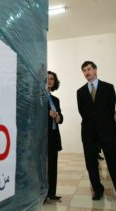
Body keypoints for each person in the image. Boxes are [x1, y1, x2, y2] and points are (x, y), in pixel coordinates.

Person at [76, 61, 116, 207]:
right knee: (91, 163)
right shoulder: (80, 91)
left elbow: (109, 109)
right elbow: (83, 112)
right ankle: (97, 190)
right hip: (88, 132)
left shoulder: (108, 87)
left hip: (106, 131)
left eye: (89, 69)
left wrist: (101, 124)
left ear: (95, 70)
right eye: (84, 70)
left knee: (114, 162)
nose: (87, 72)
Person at [45, 71, 63, 201]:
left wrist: (57, 116)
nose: (50, 80)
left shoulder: (56, 99)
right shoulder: (38, 97)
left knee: (52, 165)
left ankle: (51, 192)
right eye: (47, 78)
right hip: (41, 137)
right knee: (42, 167)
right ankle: (42, 194)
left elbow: (60, 118)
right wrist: (48, 113)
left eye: (52, 79)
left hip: (53, 136)